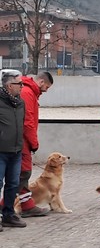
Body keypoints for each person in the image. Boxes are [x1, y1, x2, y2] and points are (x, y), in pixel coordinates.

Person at [18, 71, 54, 217]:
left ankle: (23, 205)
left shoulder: (28, 92)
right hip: (22, 141)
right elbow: (28, 122)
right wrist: (34, 143)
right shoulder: (28, 93)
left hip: (22, 140)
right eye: (47, 87)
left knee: (22, 173)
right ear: (41, 82)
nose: (46, 90)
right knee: (23, 173)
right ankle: (21, 206)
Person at [0, 70, 27, 229]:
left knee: (13, 183)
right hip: (1, 150)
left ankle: (9, 214)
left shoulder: (20, 102)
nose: (22, 87)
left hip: (16, 151)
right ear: (10, 86)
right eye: (19, 84)